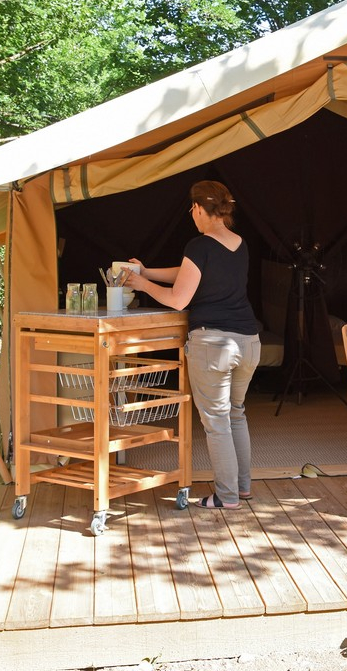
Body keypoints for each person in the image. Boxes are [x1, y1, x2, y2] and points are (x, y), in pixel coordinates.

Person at [125, 180, 261, 510]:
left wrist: (142, 283)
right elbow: (190, 272)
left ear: (200, 209)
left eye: (192, 208)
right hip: (248, 341)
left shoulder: (199, 245)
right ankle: (242, 488)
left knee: (216, 424)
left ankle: (227, 497)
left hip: (213, 344)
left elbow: (178, 298)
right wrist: (148, 271)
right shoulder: (239, 243)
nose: (191, 213)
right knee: (236, 415)